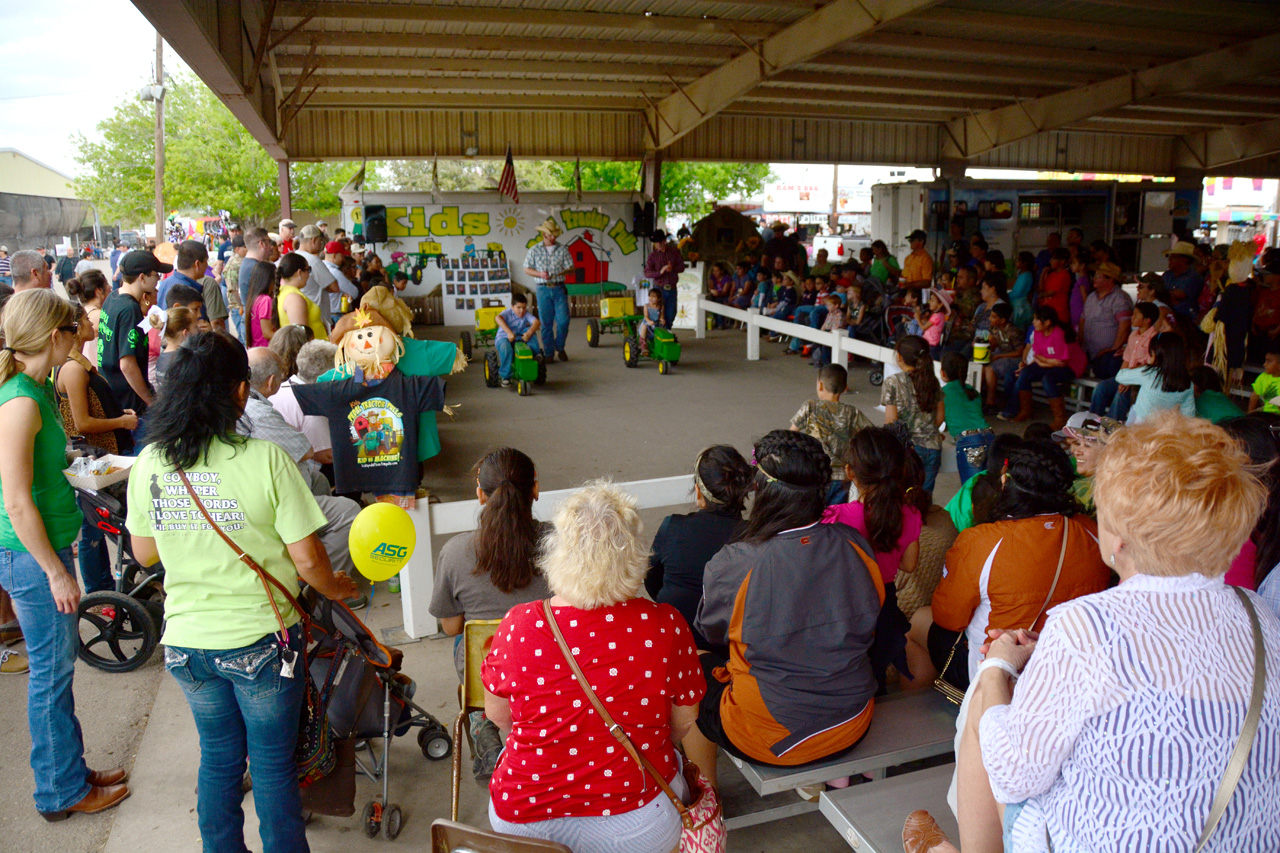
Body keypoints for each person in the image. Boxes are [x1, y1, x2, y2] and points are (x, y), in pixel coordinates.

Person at [904, 413, 1280, 853]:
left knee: (984, 704)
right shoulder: (1260, 615)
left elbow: (1013, 774)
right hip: (1241, 840)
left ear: (1119, 537)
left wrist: (996, 666)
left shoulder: (1084, 624)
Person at [125, 331, 357, 853]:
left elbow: (144, 554)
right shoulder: (266, 460)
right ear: (237, 394)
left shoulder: (150, 464)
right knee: (272, 765)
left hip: (187, 644)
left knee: (219, 758)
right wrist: (340, 588)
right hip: (262, 643)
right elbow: (308, 562)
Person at [482, 481, 706, 853]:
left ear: (557, 552)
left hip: (525, 820)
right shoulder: (665, 624)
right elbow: (682, 723)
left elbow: (498, 716)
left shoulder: (520, 623)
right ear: (635, 554)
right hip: (636, 819)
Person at [687, 430, 882, 793]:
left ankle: (703, 799)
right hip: (854, 719)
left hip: (773, 738)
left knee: (689, 666)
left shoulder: (737, 561)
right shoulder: (854, 543)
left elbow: (712, 632)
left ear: (760, 489)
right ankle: (829, 770)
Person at [0, 289, 131, 819]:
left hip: (45, 550)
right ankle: (60, 791)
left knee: (57, 675)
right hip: (33, 559)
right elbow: (15, 501)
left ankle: (68, 769)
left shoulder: (35, 389)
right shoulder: (21, 401)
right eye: (74, 331)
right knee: (51, 679)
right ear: (54, 336)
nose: (81, 340)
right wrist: (56, 572)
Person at [907, 439, 1110, 693]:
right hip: (1064, 672)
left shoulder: (981, 540)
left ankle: (940, 709)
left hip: (996, 674)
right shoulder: (1094, 533)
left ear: (1005, 482)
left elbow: (948, 618)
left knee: (919, 620)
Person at [428, 447, 552, 779]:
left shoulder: (455, 552)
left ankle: (485, 723)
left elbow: (452, 626)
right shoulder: (559, 542)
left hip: (489, 674)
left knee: (468, 643)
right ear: (535, 489)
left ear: (481, 495)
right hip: (552, 672)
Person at [822, 427, 920, 689]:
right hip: (885, 602)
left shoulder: (835, 516)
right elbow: (909, 565)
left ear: (850, 471)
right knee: (876, 667)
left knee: (848, 669)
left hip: (846, 603)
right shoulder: (909, 513)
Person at [645, 445, 751, 643]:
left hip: (675, 639)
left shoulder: (673, 528)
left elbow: (652, 581)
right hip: (730, 645)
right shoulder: (755, 536)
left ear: (699, 494)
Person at [99, 250, 169, 431]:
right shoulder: (130, 309)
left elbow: (124, 336)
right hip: (131, 404)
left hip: (114, 395)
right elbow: (127, 365)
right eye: (156, 275)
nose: (158, 280)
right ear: (142, 277)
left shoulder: (113, 298)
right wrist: (151, 401)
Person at [1000, 306, 1084, 430]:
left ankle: (1060, 419)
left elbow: (1062, 363)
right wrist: (1032, 365)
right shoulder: (1038, 333)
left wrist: (1044, 361)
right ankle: (1025, 412)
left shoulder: (1058, 334)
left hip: (1072, 365)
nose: (1033, 322)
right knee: (1025, 374)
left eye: (1036, 319)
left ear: (1047, 322)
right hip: (1049, 363)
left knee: (1048, 378)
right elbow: (1038, 355)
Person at [790, 363, 873, 487]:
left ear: (820, 385)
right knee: (838, 507)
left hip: (815, 471)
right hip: (842, 477)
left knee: (816, 506)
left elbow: (791, 434)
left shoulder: (810, 407)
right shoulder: (852, 412)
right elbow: (870, 434)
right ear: (845, 388)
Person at [882, 335, 944, 493]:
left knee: (903, 497)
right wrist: (928, 429)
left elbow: (891, 422)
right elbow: (940, 417)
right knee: (923, 497)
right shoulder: (933, 381)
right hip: (933, 447)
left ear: (899, 357)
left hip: (907, 449)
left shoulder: (893, 382)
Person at [1087, 301, 1159, 421]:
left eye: (1136, 315)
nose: (1132, 317)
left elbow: (1148, 366)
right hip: (1127, 377)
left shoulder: (1155, 339)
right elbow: (1126, 359)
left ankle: (1110, 427)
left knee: (1121, 394)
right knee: (1101, 388)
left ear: (1147, 320)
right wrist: (1122, 378)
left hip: (1141, 381)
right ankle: (1091, 421)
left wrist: (1128, 379)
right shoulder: (1133, 335)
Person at [1113, 331, 1194, 424]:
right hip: (1163, 431)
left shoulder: (1148, 373)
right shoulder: (1187, 383)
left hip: (1138, 427)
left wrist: (1144, 366)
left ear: (1156, 354)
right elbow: (1189, 414)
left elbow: (1120, 376)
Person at [523, 218, 574, 363]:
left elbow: (571, 268)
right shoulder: (534, 250)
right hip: (542, 289)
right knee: (546, 323)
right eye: (551, 235)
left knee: (564, 321)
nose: (554, 238)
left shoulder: (563, 249)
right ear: (544, 234)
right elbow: (526, 268)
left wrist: (567, 271)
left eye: (555, 235)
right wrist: (539, 274)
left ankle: (560, 346)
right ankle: (549, 352)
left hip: (559, 287)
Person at [940, 352, 993, 483]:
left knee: (972, 489)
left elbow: (938, 420)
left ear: (943, 373)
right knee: (990, 486)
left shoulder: (942, 393)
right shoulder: (972, 391)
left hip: (970, 442)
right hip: (990, 437)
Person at [1078, 261, 1132, 379]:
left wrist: (1113, 348)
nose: (1094, 279)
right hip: (1089, 350)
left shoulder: (1120, 298)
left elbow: (1125, 325)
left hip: (1107, 354)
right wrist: (1080, 343)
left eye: (1098, 276)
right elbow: (1083, 320)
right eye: (1095, 275)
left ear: (1110, 279)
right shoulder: (1092, 296)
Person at [293, 224, 339, 329]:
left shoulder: (292, 257)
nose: (320, 245)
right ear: (314, 240)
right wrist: (324, 286)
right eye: (320, 242)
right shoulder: (313, 261)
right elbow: (334, 287)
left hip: (299, 315)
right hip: (318, 318)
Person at [981, 303, 1024, 413]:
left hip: (1015, 358)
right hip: (1000, 355)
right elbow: (991, 342)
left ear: (1003, 320)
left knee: (991, 368)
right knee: (981, 365)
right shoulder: (994, 327)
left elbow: (1020, 352)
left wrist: (999, 356)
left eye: (993, 317)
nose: (990, 319)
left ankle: (990, 402)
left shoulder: (1013, 331)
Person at [493, 292, 541, 388]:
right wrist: (508, 332)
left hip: (519, 336)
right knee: (506, 349)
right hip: (505, 337)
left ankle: (536, 355)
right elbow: (497, 318)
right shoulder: (507, 313)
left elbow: (536, 322)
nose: (521, 311)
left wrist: (528, 333)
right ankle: (506, 376)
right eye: (518, 307)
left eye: (524, 307)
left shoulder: (526, 314)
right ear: (512, 306)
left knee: (530, 333)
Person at [275, 252, 326, 342]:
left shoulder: (286, 292)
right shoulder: (293, 297)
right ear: (299, 272)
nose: (309, 275)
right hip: (312, 352)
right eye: (308, 270)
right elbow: (300, 336)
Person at [644, 230, 686, 330]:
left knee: (671, 313)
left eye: (660, 241)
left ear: (664, 241)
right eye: (656, 242)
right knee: (658, 313)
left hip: (671, 288)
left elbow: (682, 267)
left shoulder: (674, 252)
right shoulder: (652, 256)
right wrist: (660, 272)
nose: (658, 244)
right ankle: (661, 333)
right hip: (659, 288)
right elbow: (647, 273)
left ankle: (666, 331)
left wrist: (673, 268)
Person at [66, 269, 109, 365]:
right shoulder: (100, 316)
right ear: (99, 291)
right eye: (107, 285)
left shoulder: (85, 311)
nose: (110, 288)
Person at [153, 306, 198, 391]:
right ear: (186, 333)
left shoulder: (162, 358)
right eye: (195, 327)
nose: (198, 330)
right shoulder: (186, 360)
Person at [1164, 239, 1205, 319]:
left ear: (1184, 260)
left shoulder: (1193, 277)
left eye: (1173, 257)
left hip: (1185, 318)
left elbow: (1178, 296)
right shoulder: (1168, 274)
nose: (1169, 259)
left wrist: (1163, 293)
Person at [1249, 343, 1280, 414]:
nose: (1264, 364)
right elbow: (1254, 396)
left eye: (1269, 361)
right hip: (1265, 413)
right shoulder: (1263, 377)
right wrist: (1249, 414)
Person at [635, 287, 666, 355]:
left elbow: (661, 317)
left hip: (656, 324)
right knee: (644, 327)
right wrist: (649, 321)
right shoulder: (646, 306)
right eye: (650, 296)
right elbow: (646, 316)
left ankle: (662, 345)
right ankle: (643, 345)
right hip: (648, 323)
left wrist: (662, 320)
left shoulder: (661, 307)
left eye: (654, 297)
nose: (651, 298)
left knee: (664, 330)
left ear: (659, 299)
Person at [1009, 250, 1035, 329]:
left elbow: (1018, 293)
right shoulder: (1022, 274)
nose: (1016, 262)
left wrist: (1006, 296)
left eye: (1018, 260)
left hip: (1020, 305)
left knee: (1019, 327)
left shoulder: (1027, 276)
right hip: (1017, 303)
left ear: (1025, 263)